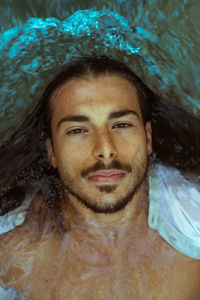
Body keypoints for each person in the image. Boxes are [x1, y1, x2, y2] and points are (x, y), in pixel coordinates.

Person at [0, 56, 199, 299]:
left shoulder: (193, 215)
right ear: (51, 151)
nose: (105, 149)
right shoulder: (9, 253)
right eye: (78, 130)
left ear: (147, 138)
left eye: (121, 125)